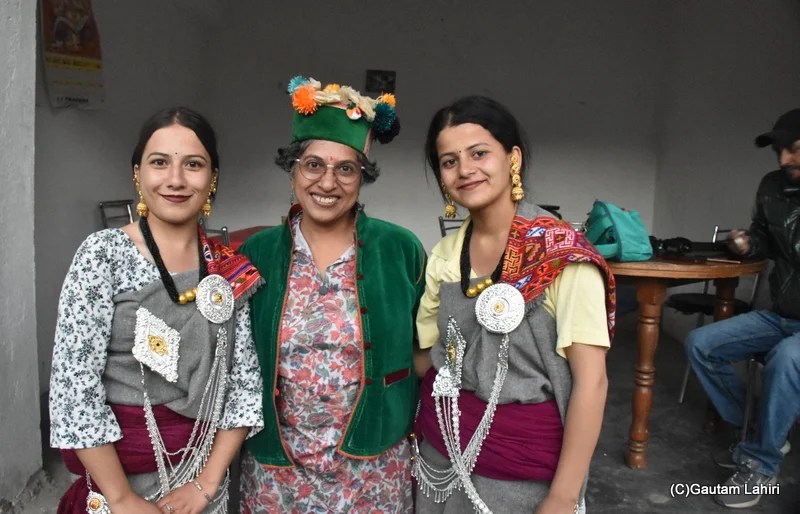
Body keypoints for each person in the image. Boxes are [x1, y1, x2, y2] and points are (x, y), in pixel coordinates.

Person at [49, 106, 264, 514]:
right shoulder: (103, 256)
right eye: (159, 162)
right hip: (119, 491)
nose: (176, 180)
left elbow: (242, 386)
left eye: (194, 165)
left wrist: (206, 485)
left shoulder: (226, 267)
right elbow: (74, 391)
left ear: (212, 176)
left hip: (204, 487)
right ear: (138, 173)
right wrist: (122, 498)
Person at [412, 95, 616, 514]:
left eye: (479, 153)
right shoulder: (446, 255)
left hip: (520, 471)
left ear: (513, 158)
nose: (465, 170)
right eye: (448, 161)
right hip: (438, 456)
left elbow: (591, 382)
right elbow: (426, 357)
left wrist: (562, 495)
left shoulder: (562, 255)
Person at [238, 76, 426, 513]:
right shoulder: (257, 253)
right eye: (313, 165)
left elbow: (424, 347)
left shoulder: (400, 249)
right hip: (277, 468)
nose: (328, 182)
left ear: (363, 177)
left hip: (372, 467)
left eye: (346, 168)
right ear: (292, 169)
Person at [684, 108, 800, 509]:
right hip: (782, 315)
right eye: (781, 151)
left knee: (787, 359)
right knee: (702, 343)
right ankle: (760, 434)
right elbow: (766, 237)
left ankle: (762, 463)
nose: (785, 160)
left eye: (796, 150)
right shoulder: (772, 186)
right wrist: (747, 242)